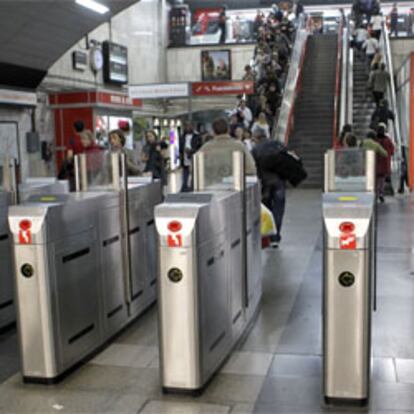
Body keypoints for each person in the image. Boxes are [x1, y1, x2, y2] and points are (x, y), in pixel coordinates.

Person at [252, 133, 287, 247]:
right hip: (279, 182)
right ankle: (275, 238)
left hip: (265, 184)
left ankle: (268, 235)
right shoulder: (279, 146)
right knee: (279, 210)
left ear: (257, 138)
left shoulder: (256, 149)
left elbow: (254, 168)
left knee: (268, 210)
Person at [179, 122, 202, 192]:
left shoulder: (197, 136)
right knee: (185, 171)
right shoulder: (182, 136)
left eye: (190, 126)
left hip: (193, 156)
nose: (188, 128)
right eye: (187, 126)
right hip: (184, 156)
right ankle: (184, 185)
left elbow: (199, 147)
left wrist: (191, 151)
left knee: (194, 171)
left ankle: (193, 185)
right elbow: (180, 146)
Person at [375, 123, 395, 202]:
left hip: (376, 162)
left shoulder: (375, 139)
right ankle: (381, 193)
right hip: (385, 163)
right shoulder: (388, 140)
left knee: (376, 179)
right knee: (382, 179)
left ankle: (376, 192)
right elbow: (392, 149)